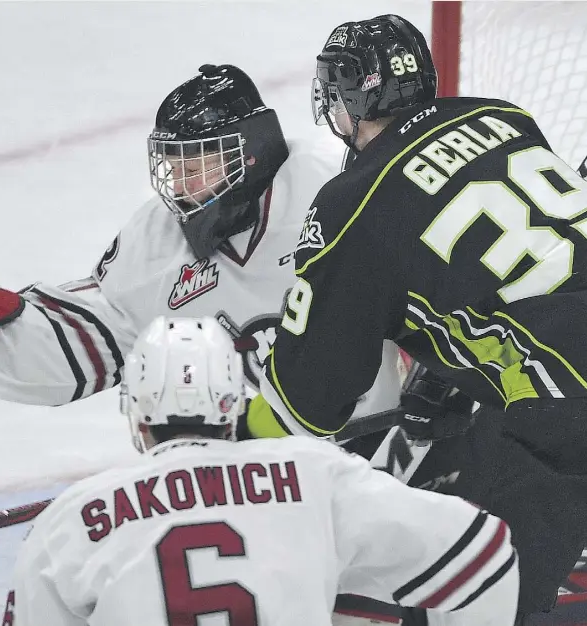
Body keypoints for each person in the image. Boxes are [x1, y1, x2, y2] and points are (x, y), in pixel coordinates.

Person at [239, 13, 587, 623]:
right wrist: (450, 371)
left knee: (462, 593)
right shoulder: (505, 116)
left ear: (348, 99)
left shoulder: (353, 202)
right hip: (562, 375)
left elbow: (314, 396)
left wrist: (235, 448)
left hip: (565, 404)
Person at [0, 62, 402, 420]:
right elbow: (86, 339)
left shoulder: (337, 191)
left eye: (202, 163)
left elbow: (434, 288)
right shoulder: (156, 247)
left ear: (254, 150)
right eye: (175, 166)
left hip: (396, 453)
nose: (185, 186)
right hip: (279, 480)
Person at [1, 315, 519, 626]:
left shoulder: (69, 520)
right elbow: (486, 552)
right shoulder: (312, 471)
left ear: (136, 414)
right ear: (233, 404)